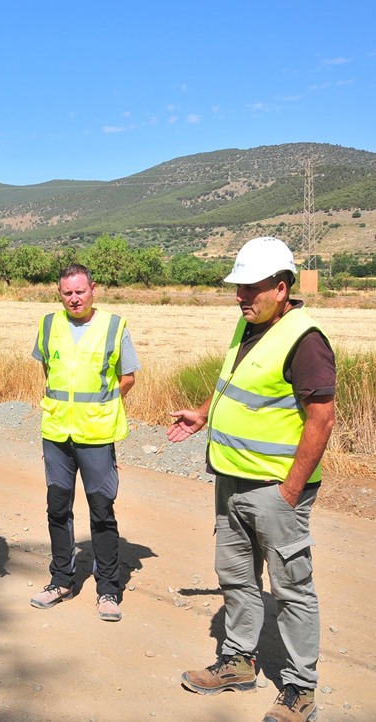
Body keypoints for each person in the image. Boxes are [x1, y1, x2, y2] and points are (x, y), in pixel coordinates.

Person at [168, 237, 335, 722]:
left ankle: (300, 687)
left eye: (252, 288)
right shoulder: (249, 327)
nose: (241, 297)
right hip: (231, 481)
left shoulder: (306, 340)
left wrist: (289, 493)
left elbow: (321, 420)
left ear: (282, 289)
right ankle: (239, 661)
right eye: (238, 288)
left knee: (290, 588)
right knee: (237, 578)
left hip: (276, 489)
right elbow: (233, 390)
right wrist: (203, 415)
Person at [28, 263, 139, 622]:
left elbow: (128, 377)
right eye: (67, 293)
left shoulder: (114, 326)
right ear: (59, 293)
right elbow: (48, 371)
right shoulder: (48, 325)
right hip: (57, 432)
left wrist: (102, 405)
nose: (74, 299)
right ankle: (61, 580)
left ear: (94, 289)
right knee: (57, 507)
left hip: (96, 433)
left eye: (80, 291)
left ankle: (108, 589)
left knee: (101, 512)